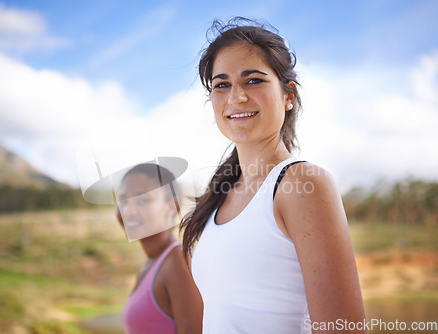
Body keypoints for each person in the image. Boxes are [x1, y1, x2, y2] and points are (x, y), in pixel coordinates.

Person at [180, 18, 366, 334]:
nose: (235, 97)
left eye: (252, 80)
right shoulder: (221, 194)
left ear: (288, 96)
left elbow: (344, 328)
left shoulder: (301, 184)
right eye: (221, 84)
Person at [116, 163, 203, 334]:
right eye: (123, 201)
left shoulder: (179, 263)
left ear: (172, 207)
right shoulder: (154, 262)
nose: (128, 211)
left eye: (142, 200)